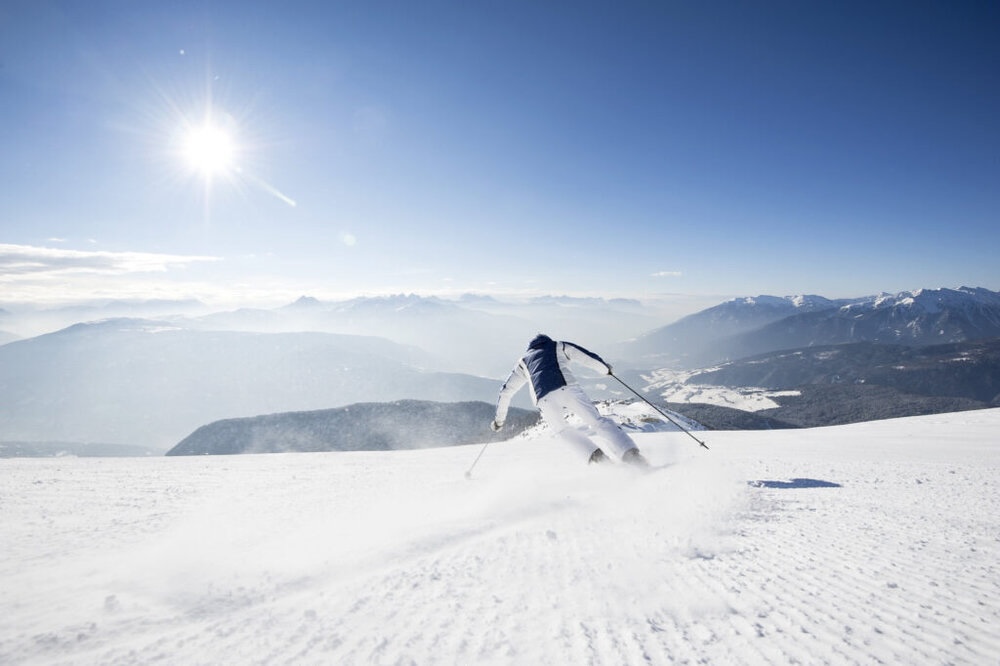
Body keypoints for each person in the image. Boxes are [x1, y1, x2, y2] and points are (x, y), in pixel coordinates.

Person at [491, 333, 649, 467]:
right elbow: (586, 357)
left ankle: (599, 459)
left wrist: (499, 421)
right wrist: (605, 369)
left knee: (562, 431)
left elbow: (506, 391)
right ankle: (631, 455)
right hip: (568, 388)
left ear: (530, 348)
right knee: (597, 421)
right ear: (546, 341)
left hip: (544, 399)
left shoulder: (523, 362)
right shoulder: (557, 346)